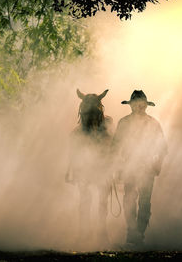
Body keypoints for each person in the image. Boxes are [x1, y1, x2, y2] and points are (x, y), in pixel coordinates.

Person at [111, 90, 168, 248]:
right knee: (129, 199)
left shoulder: (153, 123)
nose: (139, 107)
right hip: (129, 167)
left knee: (144, 202)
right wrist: (117, 166)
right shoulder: (124, 123)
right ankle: (131, 232)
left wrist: (157, 164)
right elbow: (116, 146)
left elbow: (163, 147)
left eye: (141, 105)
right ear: (131, 106)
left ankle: (139, 234)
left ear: (145, 106)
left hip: (147, 168)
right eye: (136, 104)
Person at [65, 89, 113, 248]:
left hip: (101, 166)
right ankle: (85, 233)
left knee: (100, 201)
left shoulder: (107, 129)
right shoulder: (77, 134)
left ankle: (101, 232)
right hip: (86, 167)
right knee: (86, 200)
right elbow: (74, 151)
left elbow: (114, 149)